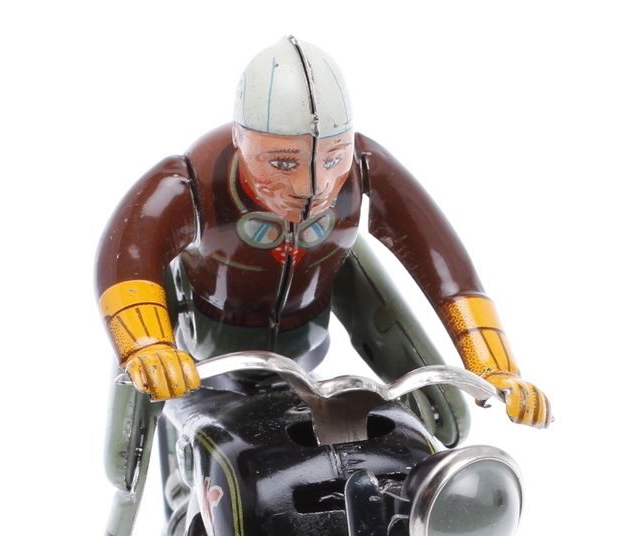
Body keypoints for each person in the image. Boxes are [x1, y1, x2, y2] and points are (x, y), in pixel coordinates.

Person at [96, 36, 551, 434]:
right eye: (282, 163)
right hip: (210, 350)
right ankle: (150, 483)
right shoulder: (192, 180)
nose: (312, 187)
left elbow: (445, 267)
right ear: (239, 139)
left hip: (311, 338)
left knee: (444, 416)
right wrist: (149, 345)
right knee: (150, 426)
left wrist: (495, 367)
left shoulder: (366, 164)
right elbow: (128, 257)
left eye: (333, 159)